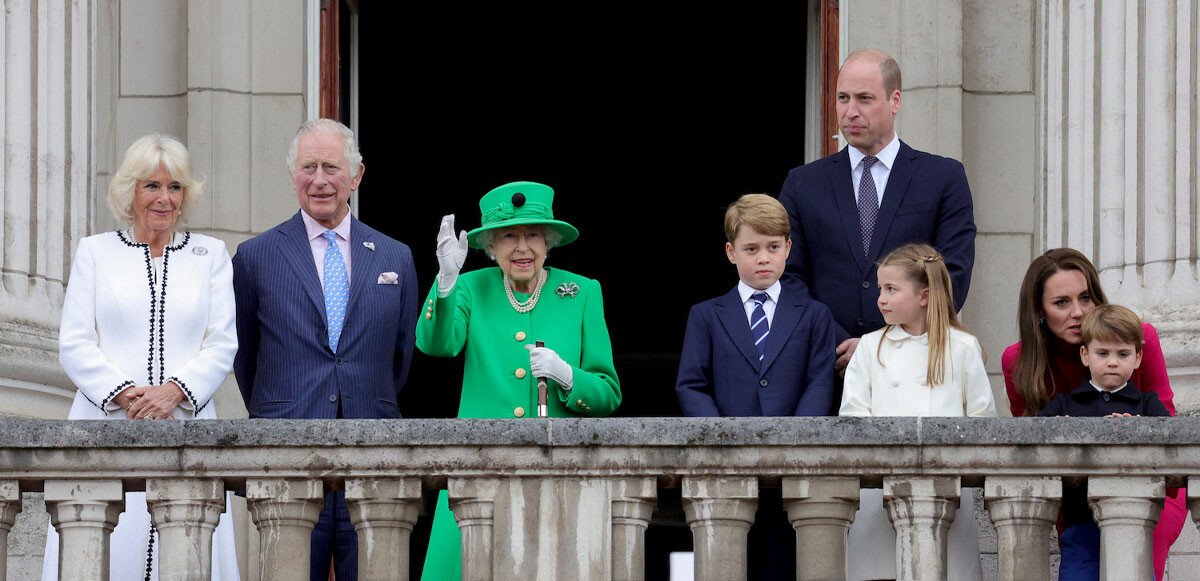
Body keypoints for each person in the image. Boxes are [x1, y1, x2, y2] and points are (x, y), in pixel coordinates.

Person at [232, 119, 418, 580]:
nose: (319, 180)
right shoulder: (254, 257)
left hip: (372, 452)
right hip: (287, 449)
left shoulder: (395, 256)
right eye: (308, 167)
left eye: (331, 167)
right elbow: (245, 357)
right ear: (293, 175)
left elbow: (400, 358)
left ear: (356, 176)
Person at [46, 134, 239, 580]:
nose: (164, 198)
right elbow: (75, 343)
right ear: (130, 191)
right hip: (107, 425)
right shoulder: (95, 252)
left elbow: (222, 342)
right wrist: (131, 398)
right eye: (151, 185)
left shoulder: (209, 255)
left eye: (174, 187)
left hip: (187, 424)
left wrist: (173, 393)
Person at [417, 181, 621, 580]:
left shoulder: (581, 292)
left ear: (549, 242)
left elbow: (608, 393)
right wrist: (445, 282)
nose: (522, 247)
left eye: (533, 235)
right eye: (509, 236)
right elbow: (437, 345)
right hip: (480, 469)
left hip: (557, 474)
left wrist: (567, 376)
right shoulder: (471, 287)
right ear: (491, 247)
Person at [778, 49, 976, 380]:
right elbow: (787, 276)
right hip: (826, 371)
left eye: (864, 98)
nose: (850, 112)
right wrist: (839, 342)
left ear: (895, 101)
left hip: (915, 371)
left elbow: (951, 275)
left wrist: (884, 343)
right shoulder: (802, 184)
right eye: (843, 98)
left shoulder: (943, 178)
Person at [675, 193, 837, 580]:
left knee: (788, 564)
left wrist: (794, 441)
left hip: (793, 473)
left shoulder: (815, 314)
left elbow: (820, 382)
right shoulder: (706, 315)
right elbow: (691, 384)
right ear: (731, 252)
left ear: (788, 249)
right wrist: (721, 437)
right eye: (751, 248)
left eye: (772, 247)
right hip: (728, 468)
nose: (763, 257)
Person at [1002, 248, 1185, 579]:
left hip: (1150, 486)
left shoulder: (1140, 339)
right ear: (1038, 310)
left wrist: (1138, 428)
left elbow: (1168, 428)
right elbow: (1027, 442)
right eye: (1061, 302)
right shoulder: (1019, 362)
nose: (1078, 312)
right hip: (1075, 495)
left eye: (1086, 298)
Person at [839, 243, 995, 581]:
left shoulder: (963, 348)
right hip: (878, 496)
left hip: (947, 495)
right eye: (881, 288)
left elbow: (983, 421)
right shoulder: (869, 347)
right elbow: (853, 418)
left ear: (923, 296)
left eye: (891, 289)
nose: (880, 298)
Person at [1039, 303, 1171, 580]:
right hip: (1079, 521)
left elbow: (1171, 439)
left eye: (1123, 354)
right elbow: (1031, 436)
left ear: (1137, 359)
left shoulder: (1147, 405)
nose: (1113, 361)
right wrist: (1058, 432)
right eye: (1103, 353)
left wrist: (1144, 430)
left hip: (1135, 521)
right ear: (1085, 355)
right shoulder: (1065, 403)